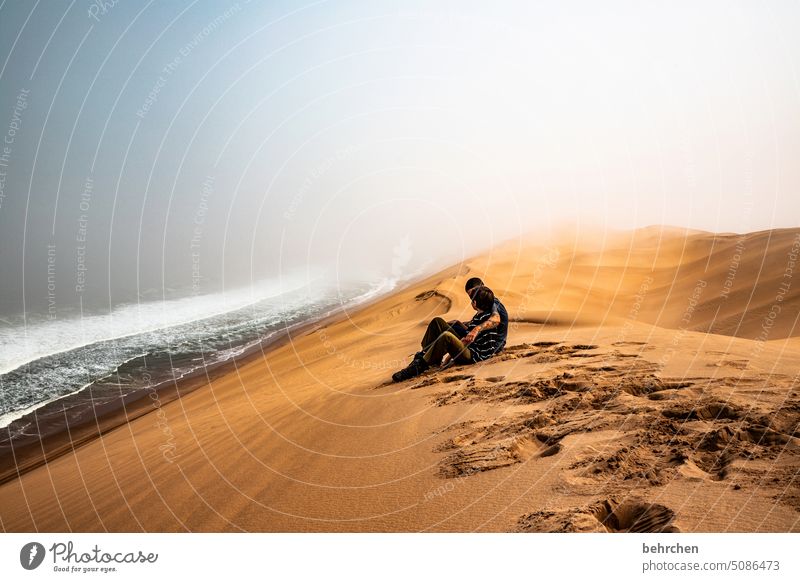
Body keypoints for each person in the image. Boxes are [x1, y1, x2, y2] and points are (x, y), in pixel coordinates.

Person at [391, 285, 506, 382]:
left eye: (471, 299)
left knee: (447, 336)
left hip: (472, 355)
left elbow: (467, 341)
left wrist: (448, 360)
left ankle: (420, 366)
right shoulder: (482, 315)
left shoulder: (487, 317)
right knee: (437, 322)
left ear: (475, 303)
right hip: (470, 349)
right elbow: (468, 336)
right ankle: (424, 357)